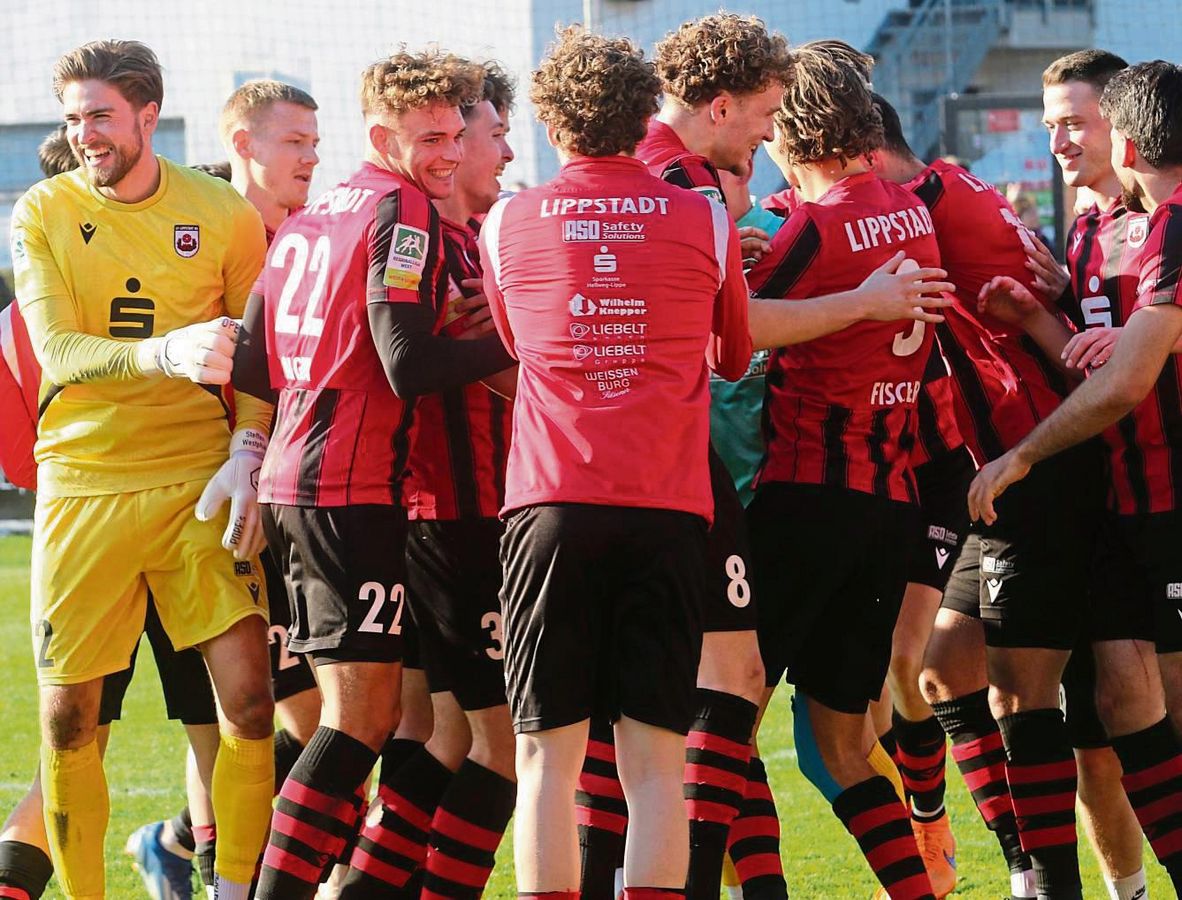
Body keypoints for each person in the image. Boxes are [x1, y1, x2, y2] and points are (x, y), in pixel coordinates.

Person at [232, 49, 513, 900]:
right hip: (349, 492)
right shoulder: (404, 210)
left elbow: (252, 358)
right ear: (383, 137)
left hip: (301, 484)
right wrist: (525, 342)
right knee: (362, 722)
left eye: (454, 135)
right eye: (429, 139)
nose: (447, 154)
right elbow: (407, 363)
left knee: (386, 719)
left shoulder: (315, 214)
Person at [479, 24, 751, 898]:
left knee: (545, 761)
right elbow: (734, 356)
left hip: (551, 505)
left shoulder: (505, 220)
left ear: (551, 124)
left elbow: (516, 343)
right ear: (643, 120)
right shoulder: (706, 217)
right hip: (669, 508)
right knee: (656, 765)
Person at [11, 39, 276, 900]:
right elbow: (57, 349)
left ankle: (232, 890)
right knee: (68, 721)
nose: (83, 133)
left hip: (196, 480)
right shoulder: (42, 211)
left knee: (250, 701)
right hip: (83, 484)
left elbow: (258, 355)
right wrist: (162, 352)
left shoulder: (224, 213)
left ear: (148, 116)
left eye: (100, 115)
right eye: (73, 117)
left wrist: (249, 449)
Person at [971, 59, 1182, 895]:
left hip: (1167, 504)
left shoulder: (1166, 224)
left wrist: (1022, 454)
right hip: (1119, 508)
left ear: (1123, 134)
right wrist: (1037, 314)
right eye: (1048, 123)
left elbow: (1130, 377)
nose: (1058, 140)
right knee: (1117, 712)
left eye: (1074, 121)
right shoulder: (1087, 236)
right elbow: (1108, 369)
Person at [744, 41, 941, 900]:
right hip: (888, 506)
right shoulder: (911, 210)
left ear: (790, 128)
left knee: (713, 723)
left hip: (806, 498)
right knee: (840, 745)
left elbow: (734, 329)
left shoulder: (814, 228)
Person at [126, 79, 326, 899]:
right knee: (233, 716)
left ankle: (179, 843)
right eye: (294, 142)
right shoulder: (196, 242)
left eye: (315, 142)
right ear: (243, 145)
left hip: (300, 505)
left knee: (304, 718)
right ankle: (213, 868)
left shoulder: (315, 237)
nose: (311, 157)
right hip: (205, 507)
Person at [397, 60, 519, 899]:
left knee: (439, 736)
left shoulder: (473, 240)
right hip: (459, 517)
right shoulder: (432, 246)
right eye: (496, 134)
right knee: (503, 749)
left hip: (448, 516)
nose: (506, 153)